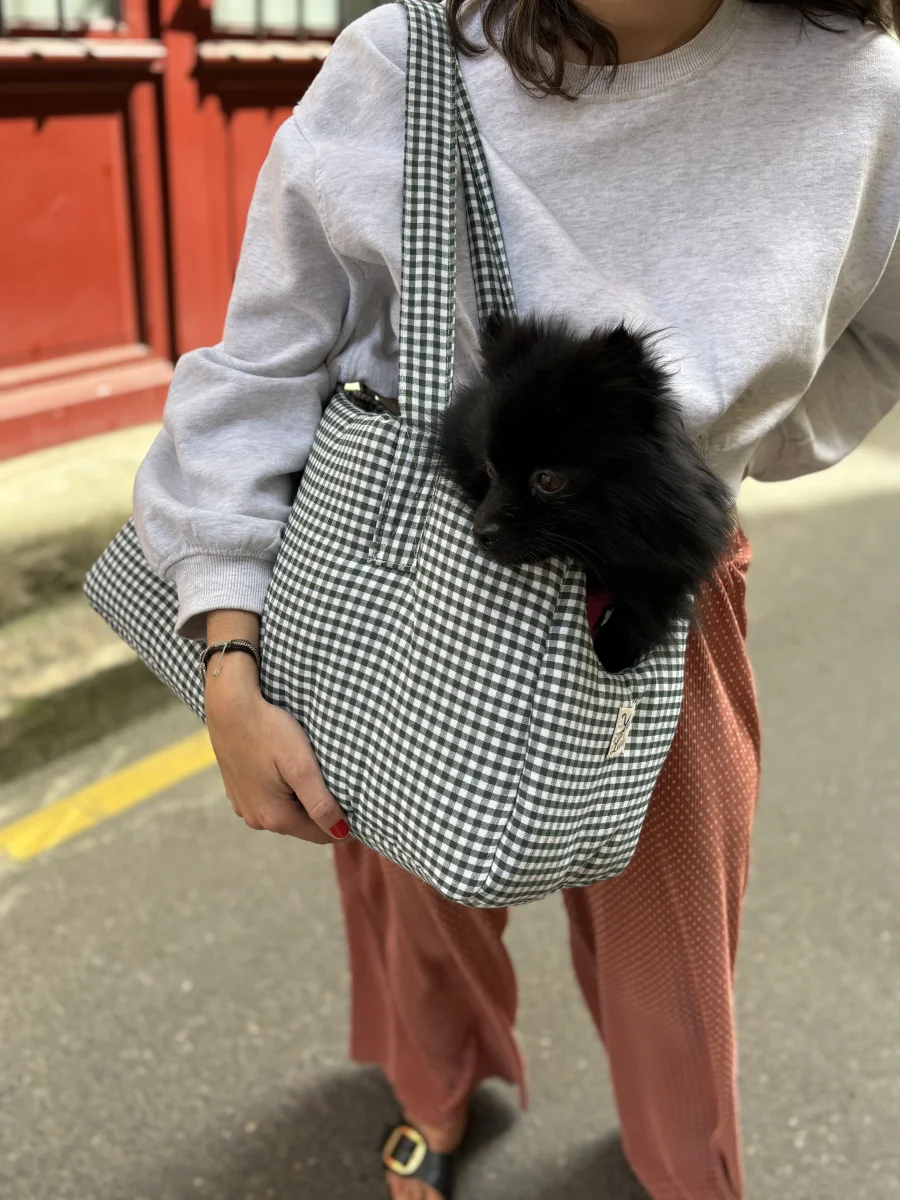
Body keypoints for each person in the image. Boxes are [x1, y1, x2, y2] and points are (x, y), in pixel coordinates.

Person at [132, 0, 900, 1195]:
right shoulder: (411, 58)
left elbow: (879, 339)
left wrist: (713, 464)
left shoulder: (858, 88)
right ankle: (436, 1094)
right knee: (417, 890)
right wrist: (229, 652)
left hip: (653, 587)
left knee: (674, 947)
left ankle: (686, 1168)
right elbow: (264, 362)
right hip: (408, 570)